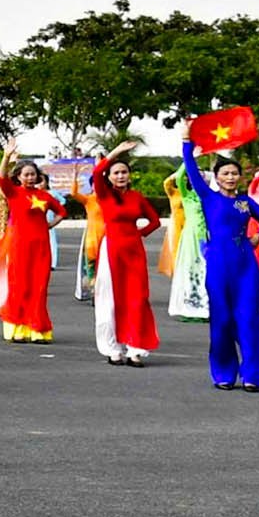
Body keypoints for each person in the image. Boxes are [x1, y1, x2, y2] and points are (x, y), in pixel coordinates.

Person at [180, 135, 259, 391]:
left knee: (248, 318)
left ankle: (252, 375)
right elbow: (189, 165)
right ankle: (223, 373)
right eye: (226, 173)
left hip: (246, 266)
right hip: (218, 267)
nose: (231, 177)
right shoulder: (208, 197)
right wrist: (187, 140)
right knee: (221, 321)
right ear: (217, 176)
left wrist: (258, 237)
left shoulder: (245, 202)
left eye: (234, 173)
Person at [86, 142, 163, 367]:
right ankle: (112, 349)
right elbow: (96, 171)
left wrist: (139, 234)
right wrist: (116, 153)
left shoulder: (137, 197)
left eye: (124, 172)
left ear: (129, 175)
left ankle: (135, 349)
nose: (120, 176)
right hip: (111, 251)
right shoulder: (104, 195)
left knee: (137, 299)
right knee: (109, 300)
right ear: (109, 177)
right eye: (116, 173)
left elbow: (155, 221)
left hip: (134, 252)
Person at [0, 144, 61, 343]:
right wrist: (6, 157)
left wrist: (48, 225)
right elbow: (1, 177)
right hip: (19, 246)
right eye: (26, 175)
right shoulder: (13, 192)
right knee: (19, 286)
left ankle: (38, 330)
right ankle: (17, 329)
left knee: (39, 287)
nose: (30, 178)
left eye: (33, 174)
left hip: (41, 247)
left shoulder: (45, 196)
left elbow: (61, 212)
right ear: (19, 177)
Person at [162, 166, 209, 323]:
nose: (199, 178)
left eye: (202, 176)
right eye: (195, 176)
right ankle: (189, 306)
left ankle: (206, 307)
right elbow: (178, 177)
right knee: (189, 271)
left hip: (207, 238)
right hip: (189, 237)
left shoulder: (210, 197)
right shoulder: (186, 195)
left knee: (206, 272)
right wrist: (189, 158)